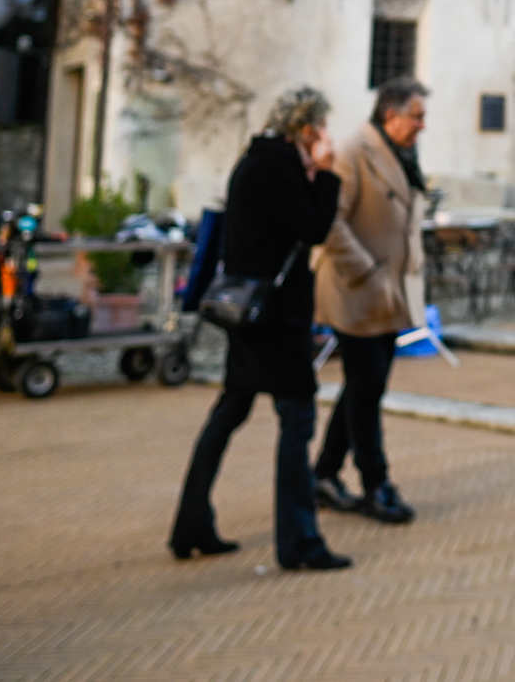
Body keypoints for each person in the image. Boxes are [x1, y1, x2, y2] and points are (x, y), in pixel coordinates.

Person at [170, 87, 350, 571]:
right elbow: (313, 227)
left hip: (247, 311)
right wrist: (326, 173)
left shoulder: (256, 162)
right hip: (275, 319)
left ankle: (191, 524)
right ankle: (300, 541)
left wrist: (310, 174)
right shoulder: (276, 167)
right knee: (298, 420)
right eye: (321, 128)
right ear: (306, 130)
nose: (325, 137)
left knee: (229, 411)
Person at [311, 77, 429, 525]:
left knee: (364, 386)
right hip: (356, 289)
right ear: (390, 115)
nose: (422, 125)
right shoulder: (354, 151)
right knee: (367, 387)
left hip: (388, 291)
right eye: (416, 116)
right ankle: (376, 484)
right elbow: (330, 219)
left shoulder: (401, 153)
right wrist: (365, 271)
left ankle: (323, 474)